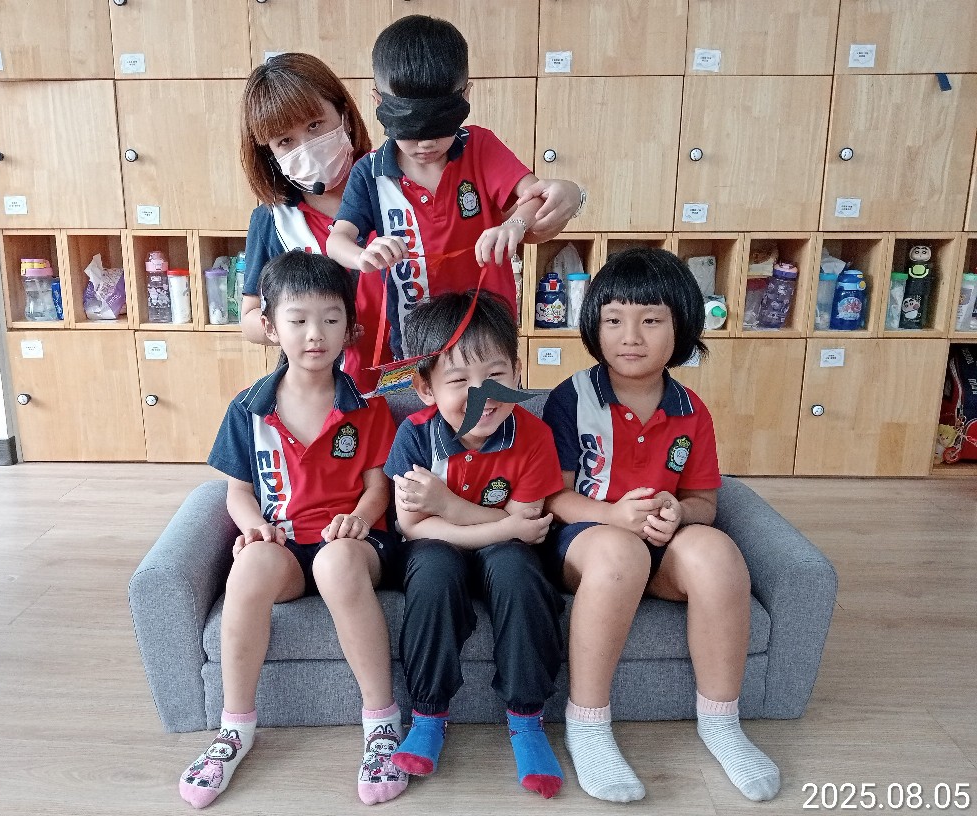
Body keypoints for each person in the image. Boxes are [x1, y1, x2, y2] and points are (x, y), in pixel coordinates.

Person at [541, 248, 780, 803]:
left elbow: (704, 502)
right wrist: (612, 515)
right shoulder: (572, 399)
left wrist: (680, 512)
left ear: (682, 328)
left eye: (650, 320)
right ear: (593, 326)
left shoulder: (691, 409)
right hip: (587, 544)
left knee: (718, 554)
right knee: (619, 554)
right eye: (614, 320)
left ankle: (721, 723)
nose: (631, 337)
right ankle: (588, 725)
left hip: (659, 548)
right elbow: (553, 497)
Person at [180, 251, 408, 808]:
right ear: (269, 326)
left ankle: (382, 724)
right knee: (249, 565)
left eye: (330, 319)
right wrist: (255, 527)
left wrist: (359, 518)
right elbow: (237, 490)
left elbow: (379, 488)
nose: (315, 334)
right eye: (298, 319)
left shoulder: (369, 407)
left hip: (355, 543)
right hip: (283, 543)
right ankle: (234, 730)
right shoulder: (247, 409)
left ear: (350, 329)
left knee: (336, 560)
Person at [384, 290, 567, 799]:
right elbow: (413, 528)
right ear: (425, 387)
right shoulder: (415, 436)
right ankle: (428, 716)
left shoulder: (533, 435)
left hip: (503, 550)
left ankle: (527, 721)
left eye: (495, 375)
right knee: (432, 576)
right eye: (459, 380)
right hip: (435, 547)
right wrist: (506, 527)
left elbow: (528, 523)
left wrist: (447, 504)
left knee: (519, 575)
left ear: (517, 372)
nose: (481, 395)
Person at [325, 14, 584, 359]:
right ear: (378, 102)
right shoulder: (369, 173)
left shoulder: (481, 148)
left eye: (440, 127)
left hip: (485, 337)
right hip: (410, 341)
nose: (426, 144)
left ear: (466, 95)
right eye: (410, 130)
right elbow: (336, 241)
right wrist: (362, 256)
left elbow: (536, 196)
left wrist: (514, 223)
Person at [237, 52, 386, 394]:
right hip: (324, 393)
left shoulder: (395, 186)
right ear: (269, 153)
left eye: (315, 125)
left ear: (345, 116)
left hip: (413, 382)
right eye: (285, 141)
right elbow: (250, 318)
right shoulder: (274, 220)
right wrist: (307, 328)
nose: (306, 148)